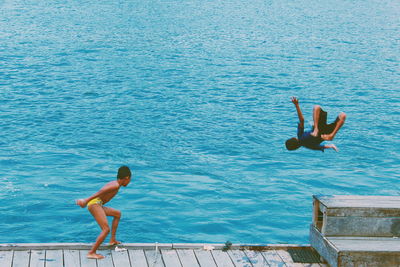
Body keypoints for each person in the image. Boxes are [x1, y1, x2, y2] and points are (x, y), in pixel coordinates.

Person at [76, 166, 132, 259]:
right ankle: (92, 252)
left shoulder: (115, 184)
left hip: (98, 204)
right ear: (126, 178)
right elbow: (100, 192)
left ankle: (112, 240)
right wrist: (86, 201)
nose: (129, 182)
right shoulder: (115, 185)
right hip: (95, 204)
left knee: (117, 214)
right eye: (129, 179)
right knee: (106, 229)